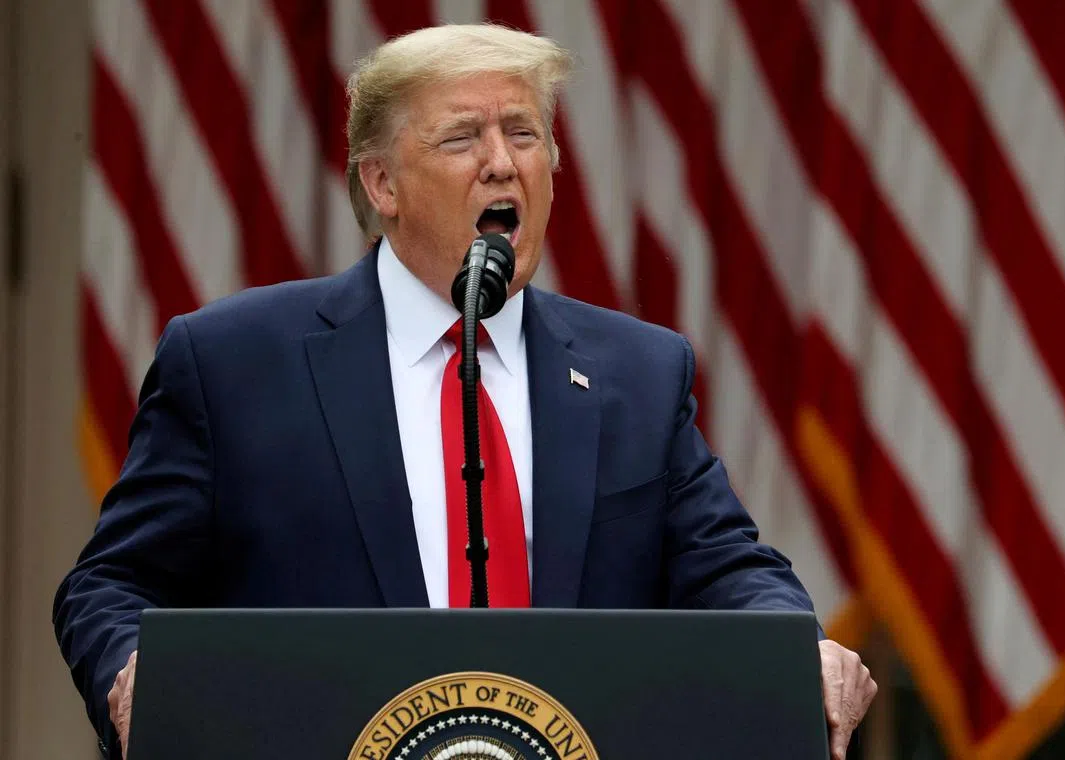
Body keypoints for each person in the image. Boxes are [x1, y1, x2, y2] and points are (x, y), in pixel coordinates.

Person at [54, 23, 875, 760]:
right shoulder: (232, 362)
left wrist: (791, 643)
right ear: (382, 185)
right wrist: (134, 676)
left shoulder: (638, 371)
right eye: (461, 138)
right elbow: (110, 584)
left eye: (525, 133)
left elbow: (727, 566)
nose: (502, 161)